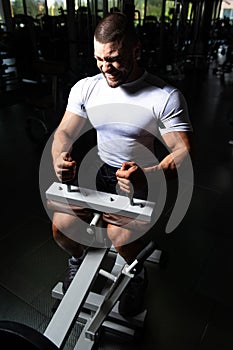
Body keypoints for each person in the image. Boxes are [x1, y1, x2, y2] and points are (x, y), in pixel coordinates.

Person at [50, 11, 193, 317]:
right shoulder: (87, 87)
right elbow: (64, 131)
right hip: (99, 172)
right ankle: (76, 260)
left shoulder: (164, 96)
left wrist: (149, 175)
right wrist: (59, 158)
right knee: (61, 228)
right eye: (99, 59)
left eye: (114, 59)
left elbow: (183, 152)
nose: (106, 68)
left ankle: (135, 274)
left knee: (120, 240)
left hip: (138, 178)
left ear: (136, 50)